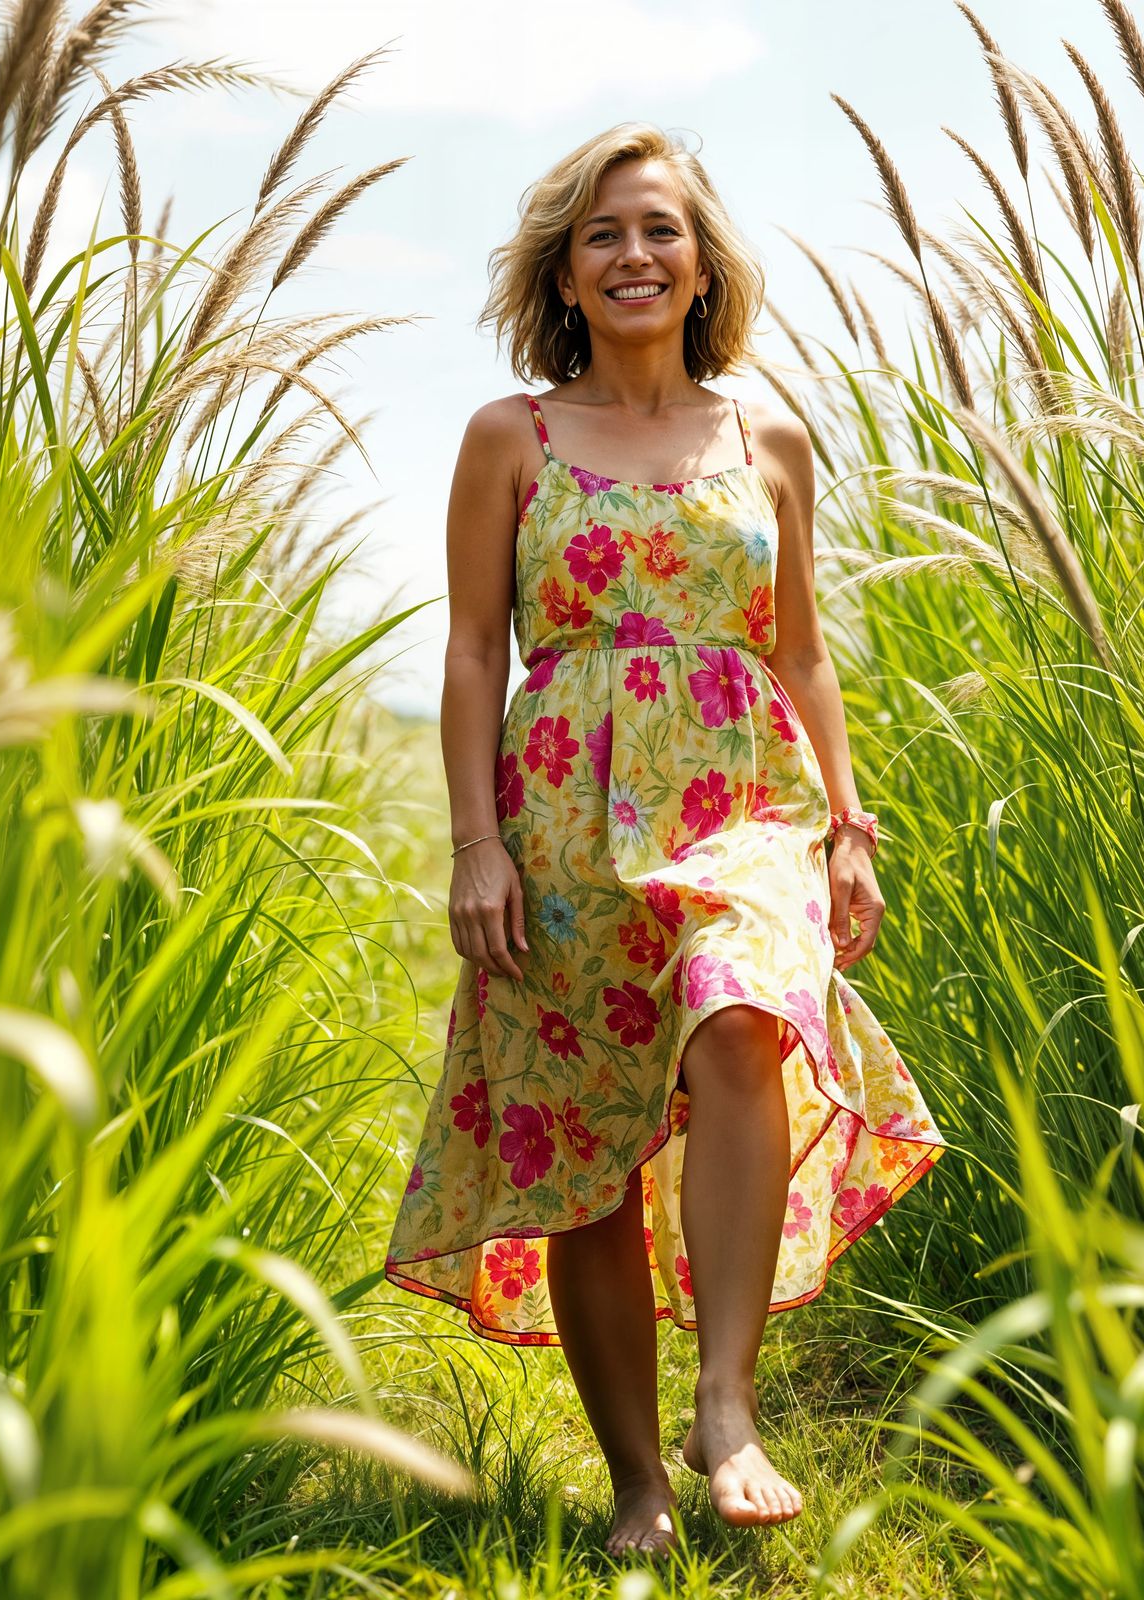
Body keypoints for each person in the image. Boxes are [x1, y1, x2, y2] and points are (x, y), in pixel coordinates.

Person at [384, 122, 946, 1558]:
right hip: (564, 814)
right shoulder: (510, 437)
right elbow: (468, 653)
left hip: (740, 796)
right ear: (566, 276)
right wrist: (474, 846)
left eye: (659, 232)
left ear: (701, 265)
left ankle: (730, 1402)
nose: (634, 256)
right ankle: (638, 1485)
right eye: (602, 237)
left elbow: (804, 652)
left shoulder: (768, 436)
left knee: (745, 1018)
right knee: (586, 1146)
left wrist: (848, 826)